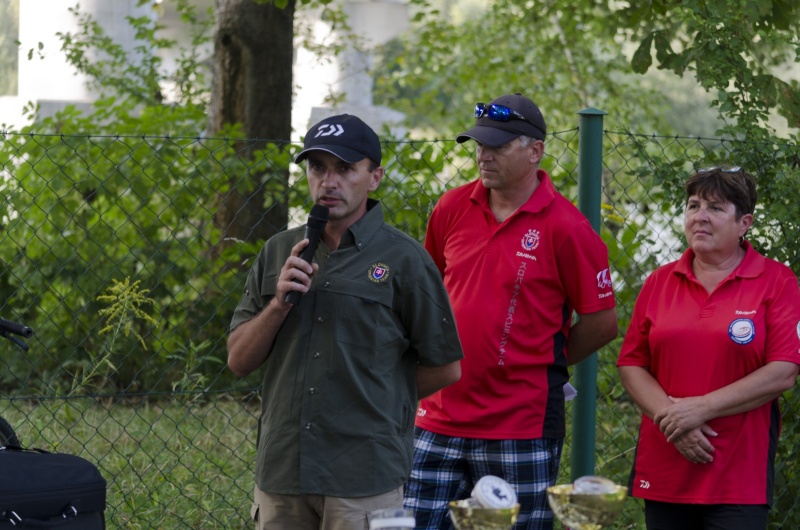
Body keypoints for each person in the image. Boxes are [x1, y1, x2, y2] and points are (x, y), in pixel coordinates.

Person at [227, 113, 464, 530]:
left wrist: (380, 401)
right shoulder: (279, 250)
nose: (328, 182)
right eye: (317, 167)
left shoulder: (405, 259)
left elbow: (446, 367)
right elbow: (238, 361)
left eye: (345, 169)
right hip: (283, 472)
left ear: (375, 177)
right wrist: (278, 305)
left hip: (364, 476)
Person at [404, 93, 619, 530]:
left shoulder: (568, 227)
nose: (483, 155)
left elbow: (602, 324)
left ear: (534, 151)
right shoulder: (451, 207)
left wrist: (537, 360)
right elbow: (430, 296)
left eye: (498, 146)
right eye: (480, 144)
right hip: (436, 416)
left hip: (519, 426)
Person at [617, 166, 800, 530]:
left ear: (744, 223)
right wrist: (673, 420)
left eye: (715, 208)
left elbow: (783, 372)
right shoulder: (659, 281)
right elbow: (631, 364)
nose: (700, 216)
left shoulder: (778, 282)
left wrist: (701, 408)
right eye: (693, 205)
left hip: (738, 475)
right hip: (667, 464)